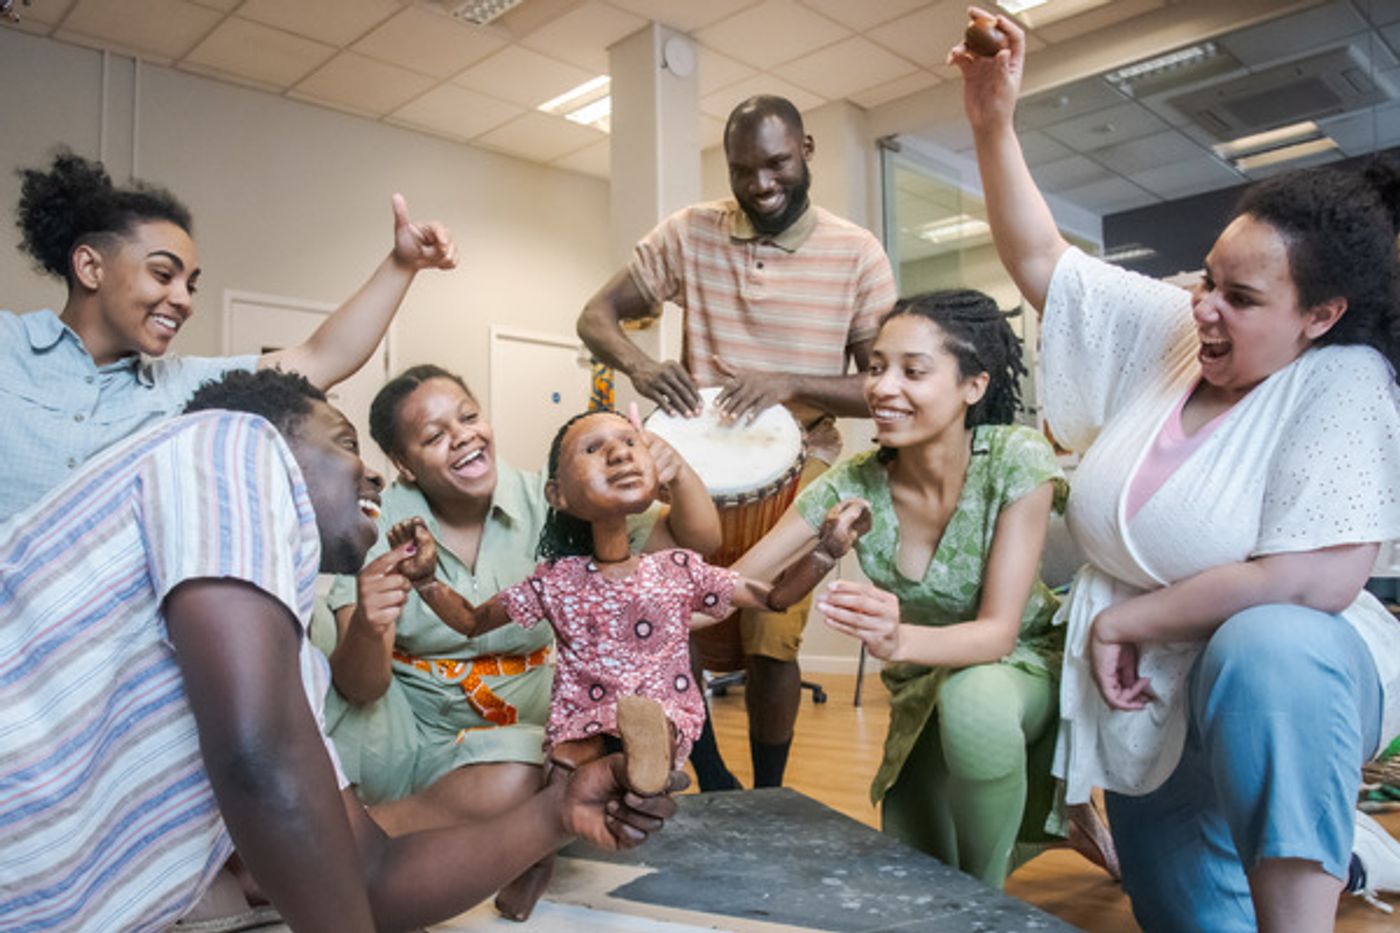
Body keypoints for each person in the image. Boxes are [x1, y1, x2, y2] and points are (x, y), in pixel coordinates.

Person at [952, 9, 1400, 928]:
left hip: (1292, 680)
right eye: (1205, 280)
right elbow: (1044, 259)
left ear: (1319, 315)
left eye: (1240, 298)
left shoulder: (1343, 380)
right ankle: (1325, 850)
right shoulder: (1175, 333)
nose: (1205, 310)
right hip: (1150, 698)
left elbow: (1315, 576)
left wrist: (1129, 617)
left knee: (1267, 640)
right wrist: (993, 121)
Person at [0, 368, 682, 933]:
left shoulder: (282, 661)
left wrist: (558, 815)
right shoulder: (230, 442)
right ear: (280, 441)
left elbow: (369, 877)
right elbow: (254, 757)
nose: (374, 477)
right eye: (347, 442)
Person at [386, 406, 870, 916]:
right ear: (558, 496)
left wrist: (826, 548)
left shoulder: (678, 569)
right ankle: (545, 855)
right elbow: (470, 621)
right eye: (593, 449)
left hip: (661, 712)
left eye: (629, 442)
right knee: (566, 764)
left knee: (640, 731)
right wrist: (425, 578)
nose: (618, 452)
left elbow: (771, 598)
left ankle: (647, 762)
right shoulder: (557, 581)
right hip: (581, 720)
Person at [730, 291, 1105, 888]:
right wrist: (632, 599)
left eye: (913, 370)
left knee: (974, 707)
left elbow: (997, 632)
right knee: (923, 870)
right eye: (876, 367)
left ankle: (987, 908)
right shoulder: (853, 482)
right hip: (920, 689)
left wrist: (895, 637)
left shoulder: (1015, 457)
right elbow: (734, 583)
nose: (881, 387)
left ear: (973, 387)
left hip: (1021, 665)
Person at [577, 94, 898, 790]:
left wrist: (791, 381)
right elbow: (595, 316)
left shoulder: (857, 254)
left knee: (768, 632)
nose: (760, 184)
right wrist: (639, 364)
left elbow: (881, 385)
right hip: (693, 467)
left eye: (777, 163)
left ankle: (772, 790)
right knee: (671, 616)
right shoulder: (691, 234)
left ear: (807, 149)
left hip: (801, 462)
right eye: (742, 169)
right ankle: (712, 773)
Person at [323, 365, 719, 919]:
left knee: (553, 760)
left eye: (468, 416)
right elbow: (360, 686)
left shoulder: (555, 497)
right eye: (434, 436)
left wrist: (679, 475)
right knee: (531, 781)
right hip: (408, 730)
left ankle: (386, 851)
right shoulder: (377, 523)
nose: (462, 435)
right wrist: (369, 621)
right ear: (404, 465)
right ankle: (352, 848)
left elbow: (695, 545)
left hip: (522, 726)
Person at [0, 150, 457, 522]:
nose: (183, 300)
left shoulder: (177, 386)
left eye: (191, 285)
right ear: (89, 267)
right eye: (163, 274)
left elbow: (320, 358)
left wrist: (402, 265)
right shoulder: (8, 346)